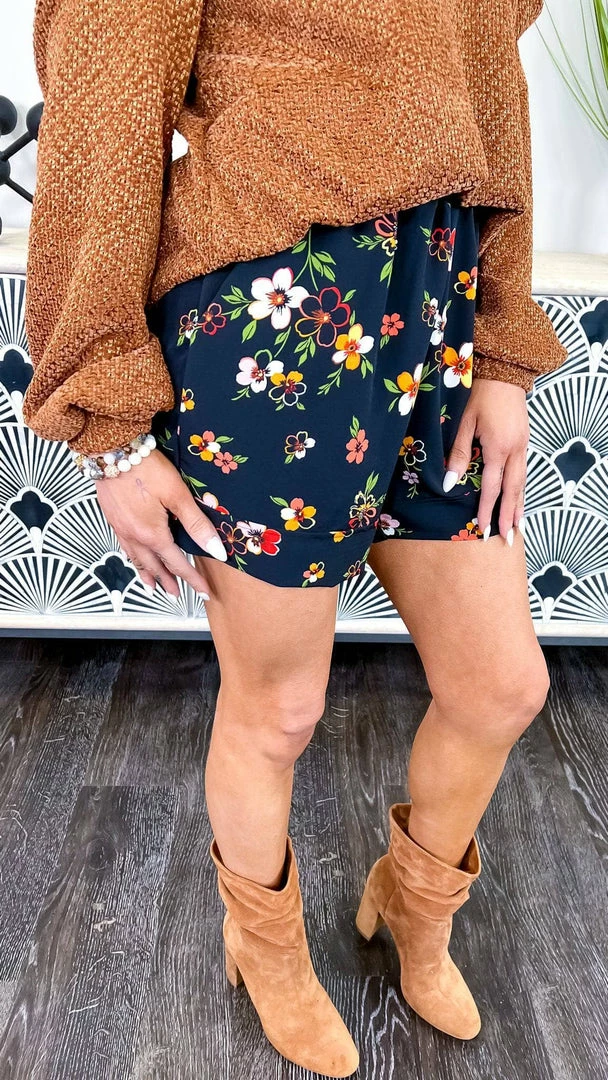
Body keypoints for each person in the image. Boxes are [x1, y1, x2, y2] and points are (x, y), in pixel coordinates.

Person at [22, 0, 568, 1075]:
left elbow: (489, 88)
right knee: (278, 707)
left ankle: (414, 909)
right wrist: (111, 429)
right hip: (268, 310)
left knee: (501, 686)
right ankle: (264, 948)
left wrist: (501, 349)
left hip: (437, 311)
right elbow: (103, 114)